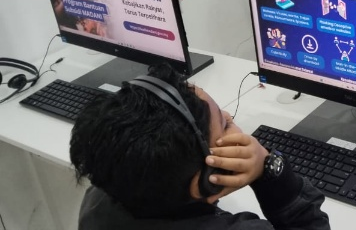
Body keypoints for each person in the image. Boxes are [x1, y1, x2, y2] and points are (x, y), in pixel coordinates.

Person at [69, 64, 331, 229]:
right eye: (225, 125)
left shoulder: (100, 199)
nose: (229, 116)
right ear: (206, 181)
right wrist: (268, 168)